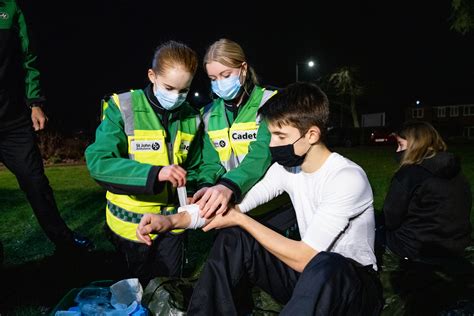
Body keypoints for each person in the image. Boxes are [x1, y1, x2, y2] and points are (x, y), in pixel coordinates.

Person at [137, 82, 384, 315]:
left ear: (311, 135)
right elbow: (231, 207)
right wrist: (169, 221)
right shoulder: (288, 170)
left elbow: (306, 256)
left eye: (280, 136)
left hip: (353, 287)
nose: (272, 144)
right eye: (270, 135)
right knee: (234, 236)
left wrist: (241, 220)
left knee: (327, 264)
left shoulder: (347, 177)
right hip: (308, 279)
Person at [85, 40, 203, 286]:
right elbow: (99, 162)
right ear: (152, 76)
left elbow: (195, 165)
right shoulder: (123, 107)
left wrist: (192, 190)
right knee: (134, 294)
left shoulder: (192, 116)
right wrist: (155, 173)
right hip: (130, 228)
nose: (177, 97)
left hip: (173, 228)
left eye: (184, 90)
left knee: (169, 290)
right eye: (169, 87)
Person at [0, 0, 92, 257]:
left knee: (36, 183)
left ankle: (63, 240)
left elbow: (28, 58)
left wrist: (35, 103)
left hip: (13, 121)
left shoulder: (10, 9)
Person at [192, 38, 294, 233]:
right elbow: (211, 162)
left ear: (243, 68)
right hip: (230, 204)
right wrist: (206, 187)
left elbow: (261, 154)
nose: (219, 83)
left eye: (226, 74)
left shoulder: (271, 102)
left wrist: (228, 185)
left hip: (272, 207)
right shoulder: (207, 114)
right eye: (213, 79)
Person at [380, 120, 473, 315]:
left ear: (414, 145)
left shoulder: (409, 174)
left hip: (415, 251)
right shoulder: (456, 171)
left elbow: (391, 217)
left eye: (400, 145)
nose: (397, 151)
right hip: (456, 246)